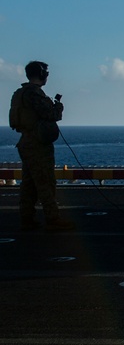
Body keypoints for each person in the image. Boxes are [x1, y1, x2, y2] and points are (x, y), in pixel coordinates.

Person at [8, 61, 74, 231]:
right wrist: (58, 106)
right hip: (37, 144)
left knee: (29, 184)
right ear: (42, 74)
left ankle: (27, 218)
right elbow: (51, 115)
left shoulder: (21, 93)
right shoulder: (34, 93)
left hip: (26, 141)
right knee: (46, 182)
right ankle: (52, 219)